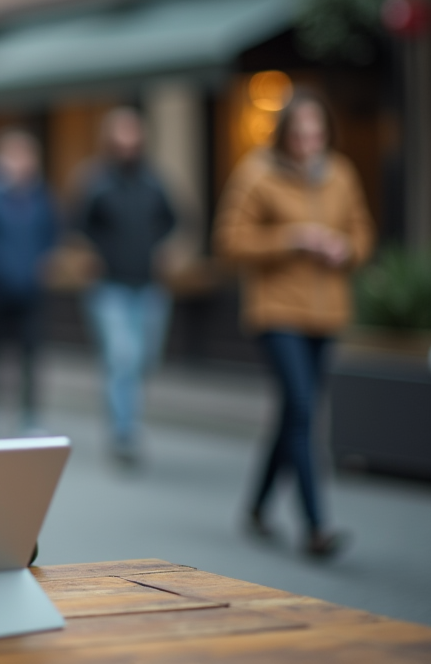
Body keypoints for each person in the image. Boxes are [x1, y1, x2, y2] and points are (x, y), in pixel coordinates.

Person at [213, 89, 373, 558]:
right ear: (284, 133)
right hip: (276, 310)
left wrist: (346, 248)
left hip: (326, 312)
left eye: (316, 132)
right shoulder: (257, 174)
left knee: (294, 412)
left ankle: (258, 506)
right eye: (300, 132)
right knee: (303, 409)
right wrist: (293, 239)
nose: (309, 141)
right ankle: (316, 526)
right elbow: (229, 241)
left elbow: (363, 233)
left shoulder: (341, 174)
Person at [75, 107, 176, 464]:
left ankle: (126, 420)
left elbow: (175, 219)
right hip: (109, 287)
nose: (128, 141)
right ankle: (124, 434)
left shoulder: (153, 180)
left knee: (143, 359)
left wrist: (159, 248)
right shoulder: (96, 181)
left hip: (149, 286)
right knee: (122, 358)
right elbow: (77, 224)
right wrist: (92, 253)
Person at [0, 128, 59, 427]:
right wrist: (0, 270)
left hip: (30, 290)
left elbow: (52, 232)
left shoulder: (39, 194)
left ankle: (29, 415)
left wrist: (41, 265)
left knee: (30, 354)